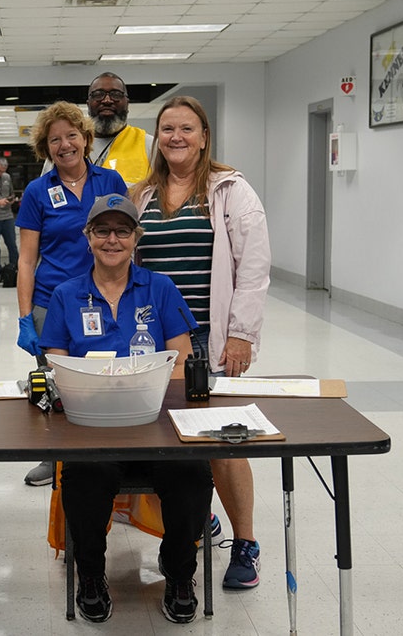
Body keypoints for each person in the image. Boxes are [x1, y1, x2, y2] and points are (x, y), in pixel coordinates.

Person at [39, 194, 214, 624]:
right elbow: (56, 367)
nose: (112, 239)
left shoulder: (161, 288)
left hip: (154, 423)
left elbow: (180, 365)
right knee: (84, 474)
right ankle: (92, 576)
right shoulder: (65, 295)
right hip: (92, 424)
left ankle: (178, 573)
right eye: (102, 230)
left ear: (137, 237)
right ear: (88, 237)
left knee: (191, 473)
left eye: (122, 231)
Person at [131, 95, 272, 590]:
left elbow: (253, 269)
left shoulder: (231, 191)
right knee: (167, 437)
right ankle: (199, 517)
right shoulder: (143, 195)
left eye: (186, 128)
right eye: (167, 128)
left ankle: (246, 543)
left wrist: (240, 335)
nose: (175, 137)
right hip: (153, 340)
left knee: (222, 441)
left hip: (209, 336)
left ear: (204, 135)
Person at [15, 101, 127, 487]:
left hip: (106, 296)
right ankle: (55, 457)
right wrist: (25, 316)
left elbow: (128, 240)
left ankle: (110, 449)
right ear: (46, 148)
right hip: (53, 302)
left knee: (105, 377)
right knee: (56, 385)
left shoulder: (109, 182)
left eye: (71, 135)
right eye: (54, 139)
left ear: (86, 138)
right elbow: (27, 260)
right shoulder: (37, 192)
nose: (64, 145)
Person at [39, 72, 154, 185]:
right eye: (98, 94)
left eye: (116, 94)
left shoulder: (149, 145)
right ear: (88, 104)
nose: (107, 100)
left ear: (127, 103)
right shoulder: (64, 149)